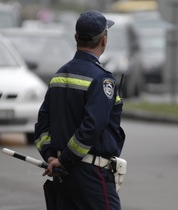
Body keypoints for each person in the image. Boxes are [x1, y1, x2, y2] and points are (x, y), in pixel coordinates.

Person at [34, 10, 126, 210]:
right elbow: (93, 126)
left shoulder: (59, 75)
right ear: (104, 40)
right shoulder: (102, 79)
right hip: (91, 175)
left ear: (76, 38)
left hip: (62, 176)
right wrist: (65, 160)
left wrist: (51, 156)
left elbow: (41, 125)